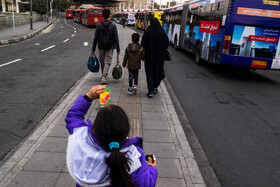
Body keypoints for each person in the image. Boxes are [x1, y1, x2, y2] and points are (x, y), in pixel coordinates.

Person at [65, 85, 157, 187]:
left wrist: (88, 97)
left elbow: (73, 115)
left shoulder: (82, 140)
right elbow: (146, 183)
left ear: (94, 130)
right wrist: (151, 168)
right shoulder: (133, 156)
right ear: (125, 132)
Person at [141, 18, 169, 98]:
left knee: (149, 73)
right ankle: (155, 86)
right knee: (158, 71)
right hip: (160, 57)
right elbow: (166, 44)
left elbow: (143, 43)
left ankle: (150, 91)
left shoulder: (148, 32)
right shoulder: (162, 32)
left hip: (149, 56)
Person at [91, 9, 121, 85]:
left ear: (102, 16)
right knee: (108, 61)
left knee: (102, 60)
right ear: (109, 15)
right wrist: (118, 48)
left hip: (100, 45)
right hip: (110, 46)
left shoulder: (98, 25)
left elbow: (96, 38)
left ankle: (103, 74)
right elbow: (116, 38)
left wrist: (93, 48)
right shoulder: (113, 25)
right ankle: (104, 76)